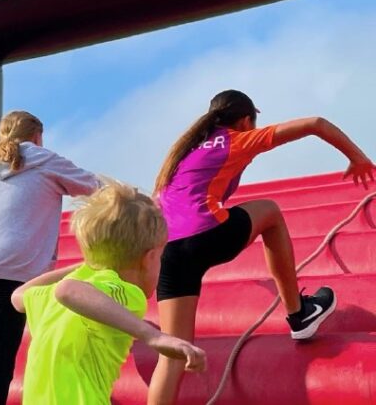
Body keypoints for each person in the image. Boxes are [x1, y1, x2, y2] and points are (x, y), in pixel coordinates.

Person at [147, 90, 376, 404]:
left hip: (170, 251)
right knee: (270, 211)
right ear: (245, 120)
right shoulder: (236, 140)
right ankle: (299, 314)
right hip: (207, 234)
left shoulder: (181, 155)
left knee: (172, 353)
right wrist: (357, 157)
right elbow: (316, 123)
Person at [0, 110, 101, 405]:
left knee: (30, 306)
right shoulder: (44, 159)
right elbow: (94, 187)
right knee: (0, 367)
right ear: (37, 136)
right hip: (11, 266)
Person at [10, 184, 206, 405]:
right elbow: (67, 291)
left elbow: (18, 296)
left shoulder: (79, 283)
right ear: (149, 258)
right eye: (160, 259)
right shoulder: (126, 292)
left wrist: (88, 264)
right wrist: (155, 336)